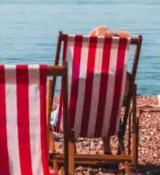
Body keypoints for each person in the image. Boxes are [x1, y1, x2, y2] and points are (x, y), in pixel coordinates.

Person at [52, 26, 130, 155]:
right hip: (109, 124)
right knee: (107, 109)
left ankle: (72, 149)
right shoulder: (120, 76)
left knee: (66, 111)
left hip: (74, 122)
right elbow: (127, 94)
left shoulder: (79, 76)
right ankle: (107, 148)